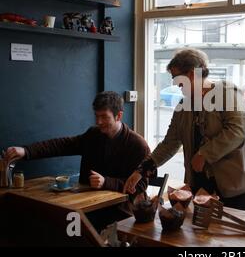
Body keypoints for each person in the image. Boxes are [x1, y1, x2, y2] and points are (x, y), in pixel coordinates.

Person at [124, 48, 245, 212]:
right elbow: (169, 144)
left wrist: (204, 154)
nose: (175, 84)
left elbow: (237, 130)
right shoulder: (184, 106)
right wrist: (142, 170)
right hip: (201, 183)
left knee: (232, 235)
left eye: (177, 79)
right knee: (202, 234)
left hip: (236, 183)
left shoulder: (227, 93)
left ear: (191, 74)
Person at [2, 91, 152, 230]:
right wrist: (26, 151)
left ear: (118, 116)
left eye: (104, 117)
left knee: (71, 228)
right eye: (96, 116)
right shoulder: (93, 135)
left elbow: (142, 184)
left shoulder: (138, 145)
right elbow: (62, 145)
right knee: (50, 222)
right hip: (89, 205)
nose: (98, 122)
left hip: (122, 211)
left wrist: (106, 182)